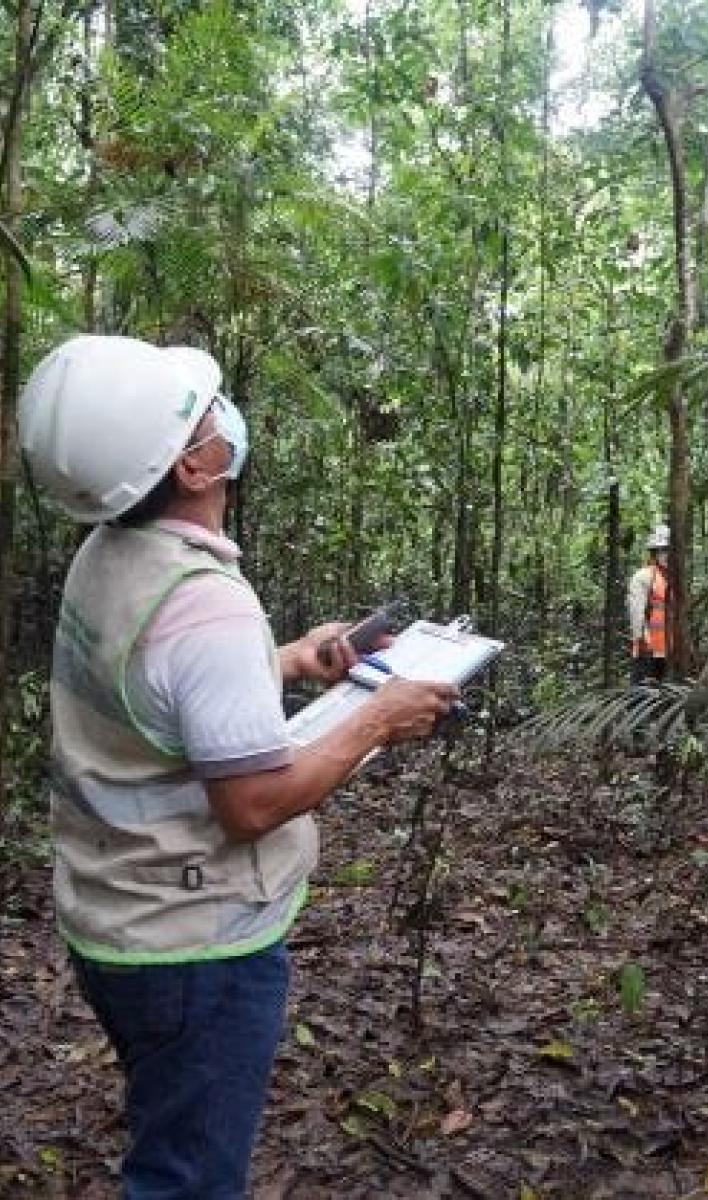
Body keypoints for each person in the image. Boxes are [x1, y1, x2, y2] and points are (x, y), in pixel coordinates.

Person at [18, 334, 458, 1199]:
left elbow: (151, 691)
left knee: (169, 1128)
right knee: (188, 1180)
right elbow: (253, 804)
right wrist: (378, 715)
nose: (225, 416)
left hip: (113, 917)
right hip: (194, 948)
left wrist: (288, 659)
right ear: (194, 463)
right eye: (208, 410)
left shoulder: (109, 555)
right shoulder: (206, 605)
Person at [628, 523, 671, 684]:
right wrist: (642, 642)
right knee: (642, 699)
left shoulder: (672, 578)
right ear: (654, 552)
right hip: (648, 651)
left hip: (667, 652)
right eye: (662, 550)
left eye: (668, 550)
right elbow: (636, 614)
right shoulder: (643, 576)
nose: (666, 554)